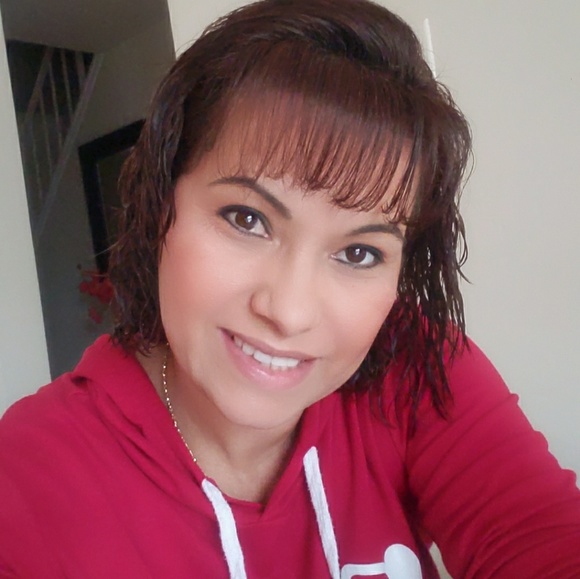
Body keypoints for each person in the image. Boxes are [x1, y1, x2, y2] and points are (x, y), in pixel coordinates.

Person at [1, 0, 579, 577]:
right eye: (247, 219)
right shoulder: (25, 480)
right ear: (161, 205)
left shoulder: (417, 369)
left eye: (359, 253)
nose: (289, 311)